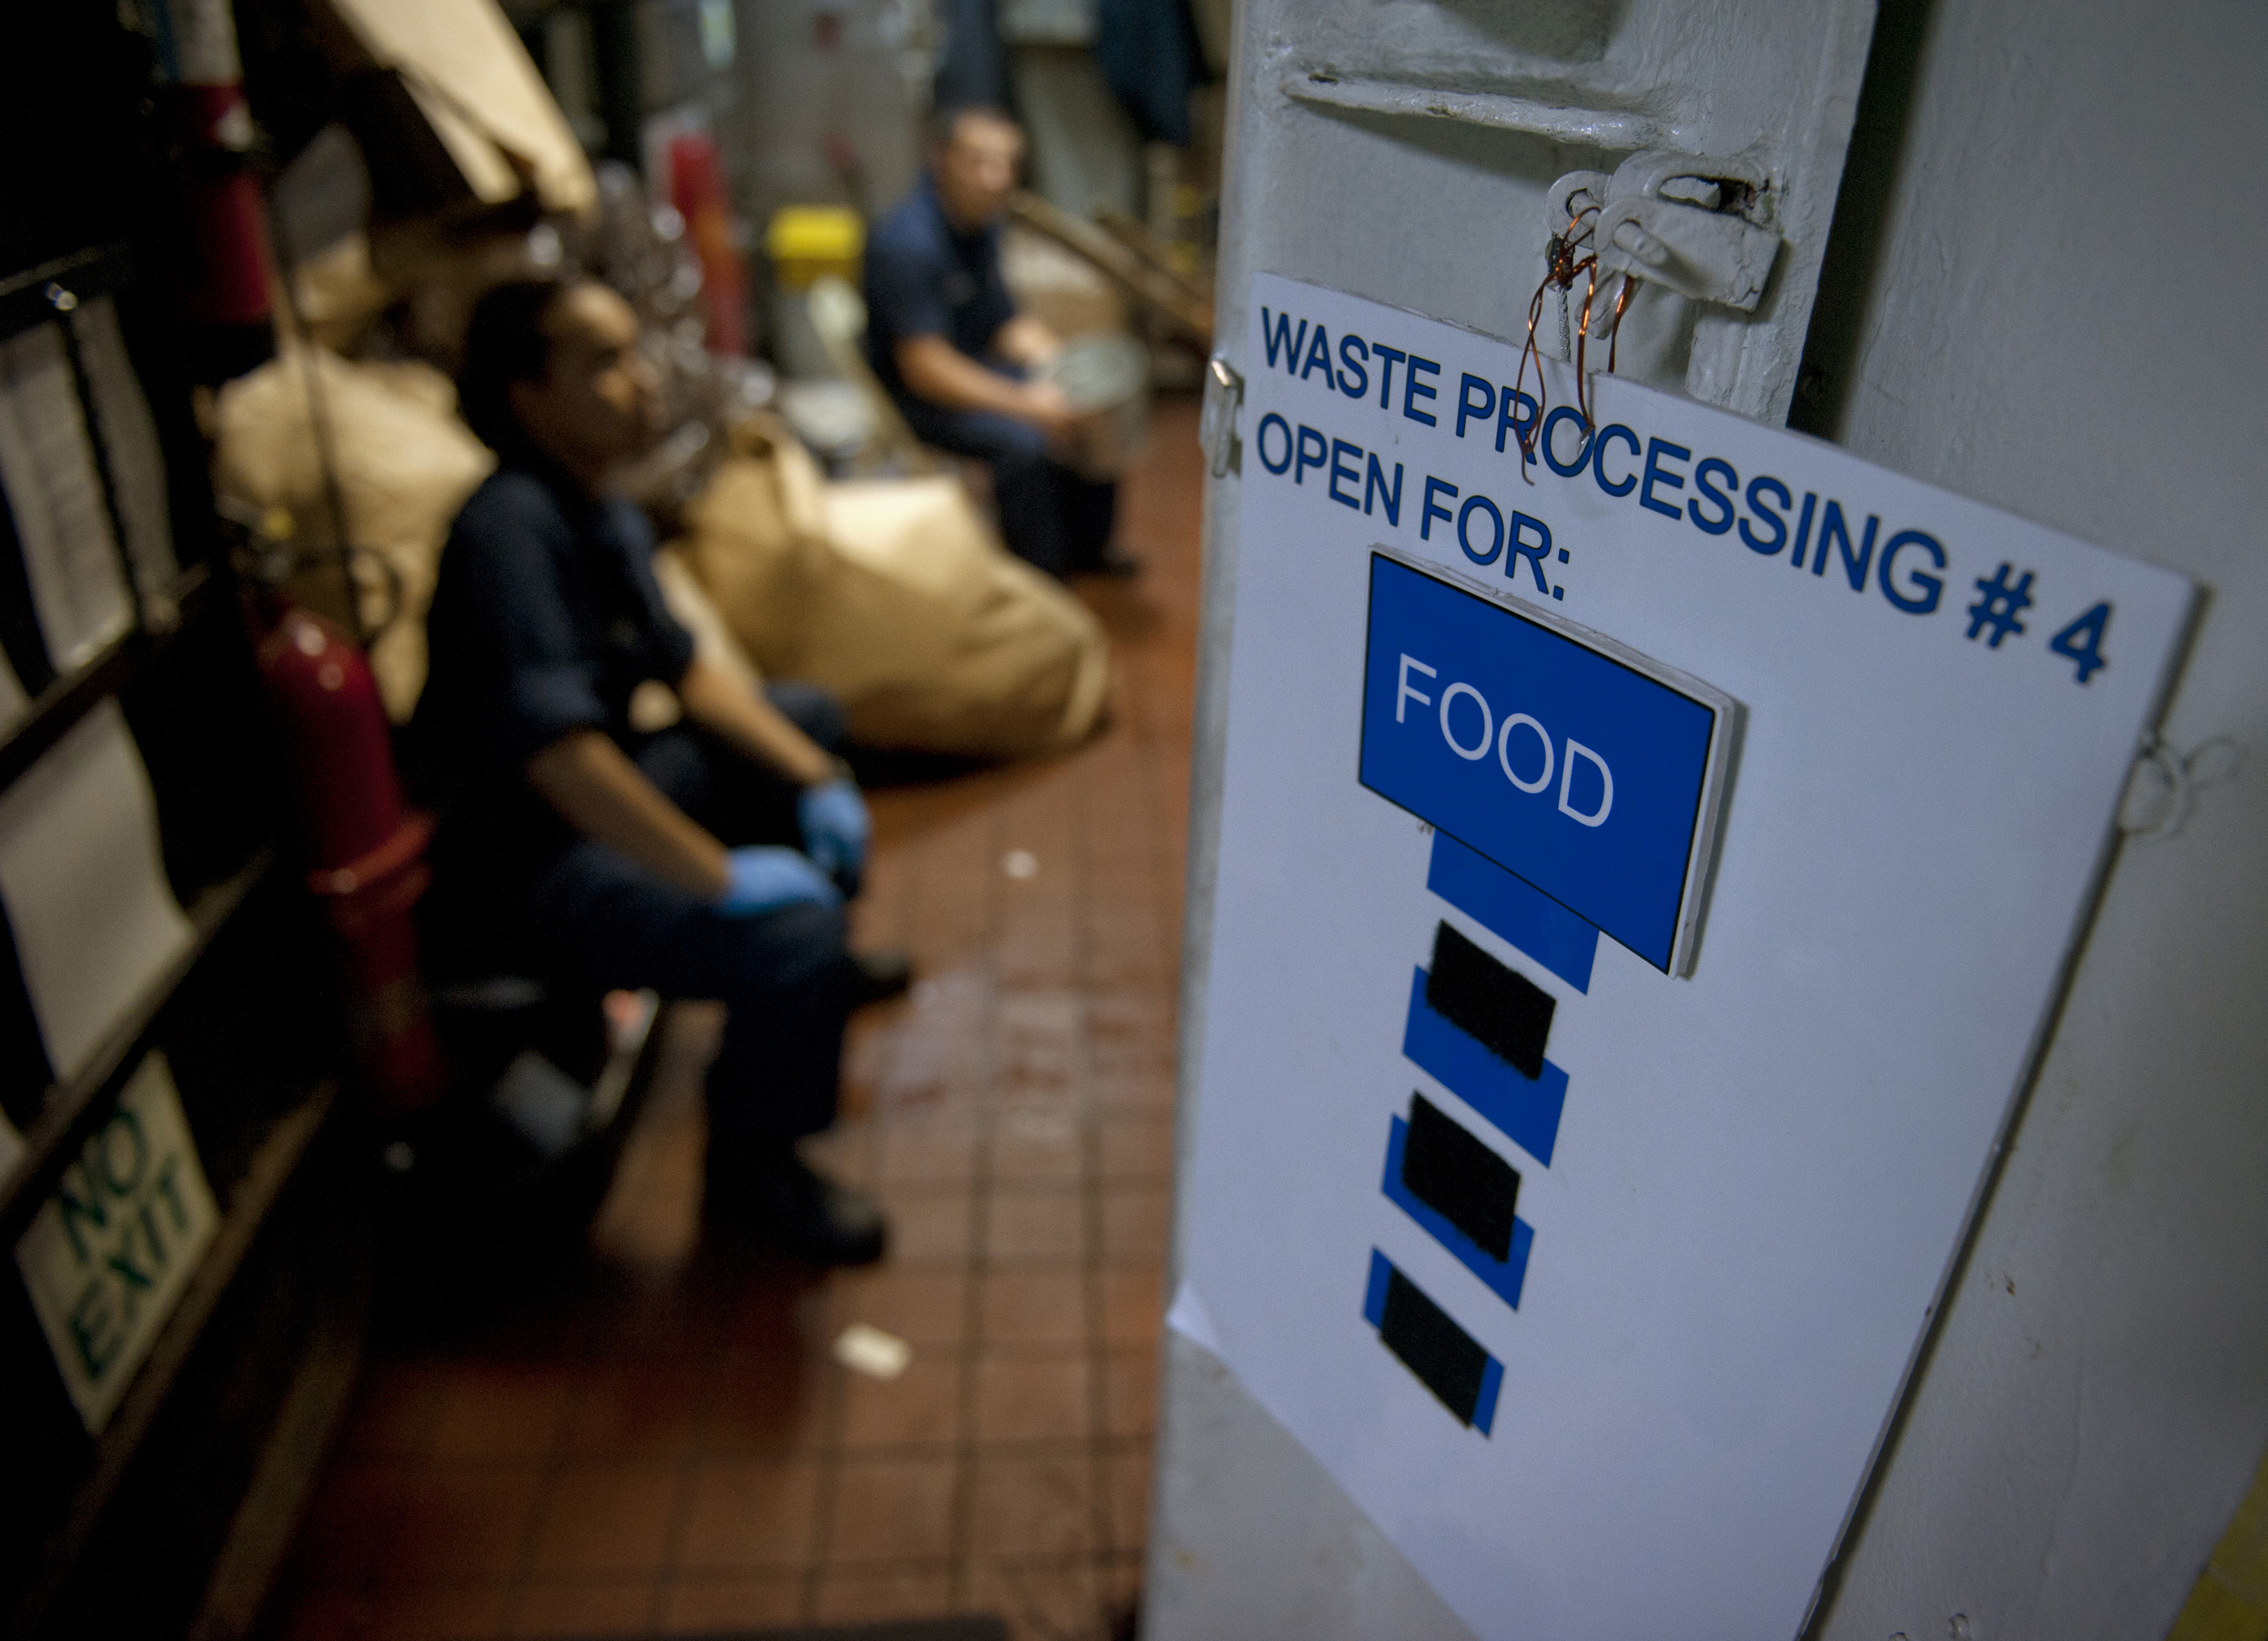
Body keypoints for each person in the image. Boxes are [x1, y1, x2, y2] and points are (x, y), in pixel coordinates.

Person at [411, 276, 904, 1265]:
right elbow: (562, 760)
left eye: (634, 354)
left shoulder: (597, 507)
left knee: (803, 719)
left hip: (588, 796)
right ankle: (757, 1165)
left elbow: (686, 671)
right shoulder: (507, 532)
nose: (639, 384)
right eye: (602, 362)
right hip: (526, 864)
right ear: (528, 392)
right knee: (787, 928)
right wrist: (720, 882)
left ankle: (803, 979)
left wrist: (817, 777)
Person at [864, 103, 1135, 580]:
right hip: (919, 396)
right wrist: (1028, 404)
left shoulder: (979, 228)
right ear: (941, 159)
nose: (996, 178)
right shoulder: (907, 244)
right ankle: (1042, 581)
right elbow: (926, 368)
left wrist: (1063, 365)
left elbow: (1003, 322)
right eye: (979, 162)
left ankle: (1088, 549)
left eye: (1008, 163)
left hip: (970, 366)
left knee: (1089, 403)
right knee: (1026, 442)